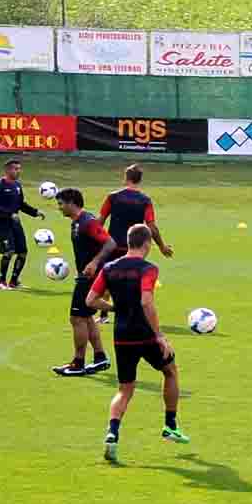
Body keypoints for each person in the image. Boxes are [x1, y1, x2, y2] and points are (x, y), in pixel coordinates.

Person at [88, 224, 185, 463]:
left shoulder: (109, 268)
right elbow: (146, 302)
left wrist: (113, 308)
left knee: (125, 389)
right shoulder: (148, 268)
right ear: (147, 244)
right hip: (145, 334)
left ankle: (112, 432)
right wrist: (159, 335)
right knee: (170, 371)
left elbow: (91, 300)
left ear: (128, 241)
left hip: (122, 335)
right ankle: (170, 425)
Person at [50, 188, 114, 377]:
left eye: (61, 204)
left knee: (76, 318)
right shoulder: (77, 223)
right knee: (86, 317)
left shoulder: (88, 222)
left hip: (90, 277)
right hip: (86, 275)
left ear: (71, 202)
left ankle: (78, 363)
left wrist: (94, 263)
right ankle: (100, 357)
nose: (59, 208)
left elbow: (110, 243)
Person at [0, 157, 42, 290]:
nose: (18, 171)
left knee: (23, 252)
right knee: (9, 251)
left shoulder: (17, 185)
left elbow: (21, 204)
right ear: (7, 170)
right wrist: (9, 214)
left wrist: (35, 212)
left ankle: (14, 281)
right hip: (2, 225)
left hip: (15, 224)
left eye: (19, 168)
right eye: (15, 168)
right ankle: (2, 282)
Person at [100, 164, 173, 258]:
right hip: (134, 250)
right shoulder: (145, 201)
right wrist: (162, 246)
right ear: (140, 180)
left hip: (113, 248)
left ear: (126, 178)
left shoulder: (112, 197)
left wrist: (96, 241)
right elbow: (152, 227)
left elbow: (100, 221)